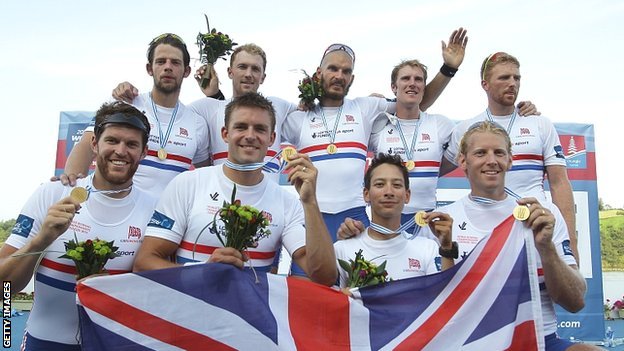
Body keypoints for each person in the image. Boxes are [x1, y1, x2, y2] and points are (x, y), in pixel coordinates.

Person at [282, 29, 467, 244]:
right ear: (318, 73)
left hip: (355, 219)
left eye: (346, 71)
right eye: (333, 69)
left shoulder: (366, 108)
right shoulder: (297, 117)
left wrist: (448, 69)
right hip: (311, 216)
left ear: (352, 77)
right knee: (305, 279)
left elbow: (415, 102)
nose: (339, 76)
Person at [132, 93, 337, 286]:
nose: (250, 136)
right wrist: (202, 272)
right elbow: (144, 263)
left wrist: (310, 202)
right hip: (190, 319)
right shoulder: (187, 184)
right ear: (225, 134)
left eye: (259, 129)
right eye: (241, 127)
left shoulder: (286, 202)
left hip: (250, 321)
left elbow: (324, 276)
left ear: (272, 138)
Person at [0, 102, 157, 350]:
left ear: (144, 152)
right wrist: (40, 240)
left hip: (114, 344)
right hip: (45, 343)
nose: (121, 151)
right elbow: (4, 289)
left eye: (131, 144)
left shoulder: (154, 209)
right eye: (112, 140)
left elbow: (158, 295)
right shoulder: (51, 194)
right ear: (94, 144)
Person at [430, 121, 594, 351]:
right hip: (471, 343)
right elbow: (437, 308)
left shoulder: (543, 214)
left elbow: (575, 302)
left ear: (510, 160)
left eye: (499, 153)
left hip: (539, 340)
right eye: (480, 153)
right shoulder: (444, 221)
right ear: (463, 162)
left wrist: (546, 248)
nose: (491, 160)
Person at [442, 51, 578, 264]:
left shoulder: (539, 124)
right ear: (485, 84)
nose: (512, 83)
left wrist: (571, 241)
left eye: (517, 78)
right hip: (486, 226)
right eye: (504, 78)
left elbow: (560, 183)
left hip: (534, 224)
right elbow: (433, 171)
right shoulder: (465, 129)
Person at [61, 33, 211, 197]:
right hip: (119, 211)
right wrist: (71, 189)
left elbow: (205, 177)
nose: (168, 67)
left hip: (170, 218)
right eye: (161, 61)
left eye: (175, 62)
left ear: (187, 71)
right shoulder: (124, 102)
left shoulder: (197, 123)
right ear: (149, 69)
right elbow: (86, 147)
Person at [334, 153, 454, 288]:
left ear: (407, 195)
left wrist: (447, 249)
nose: (389, 192)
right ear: (366, 194)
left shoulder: (427, 248)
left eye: (396, 185)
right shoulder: (341, 249)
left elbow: (443, 298)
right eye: (380, 184)